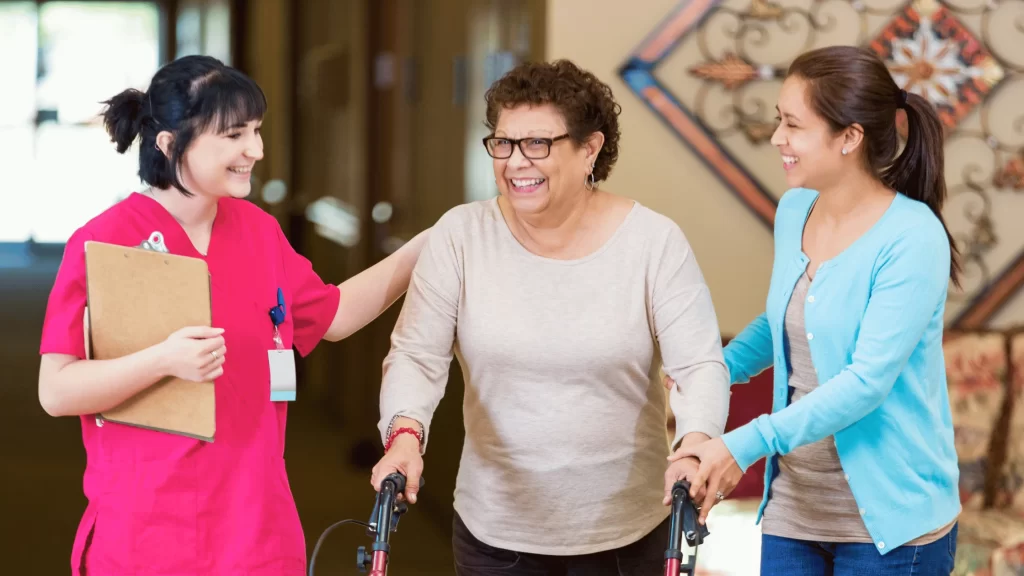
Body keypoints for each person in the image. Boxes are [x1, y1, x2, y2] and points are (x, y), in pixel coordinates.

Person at [37, 55, 428, 576]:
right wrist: (161, 360)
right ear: (170, 144)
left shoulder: (258, 232)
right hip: (144, 534)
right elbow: (56, 390)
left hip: (256, 533)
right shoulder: (103, 241)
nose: (255, 150)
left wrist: (430, 244)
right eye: (234, 134)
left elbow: (331, 316)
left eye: (257, 131)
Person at [368, 59, 731, 576]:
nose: (516, 162)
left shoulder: (653, 242)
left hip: (627, 534)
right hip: (497, 531)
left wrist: (695, 441)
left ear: (590, 148)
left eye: (537, 143)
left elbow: (697, 365)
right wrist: (405, 434)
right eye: (504, 143)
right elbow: (416, 355)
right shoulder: (462, 235)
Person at [670, 45, 961, 574]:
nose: (777, 137)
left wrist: (745, 443)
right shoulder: (795, 208)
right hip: (795, 512)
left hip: (891, 528)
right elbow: (785, 321)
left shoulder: (913, 237)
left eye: (793, 125)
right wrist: (712, 369)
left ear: (849, 137)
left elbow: (867, 382)